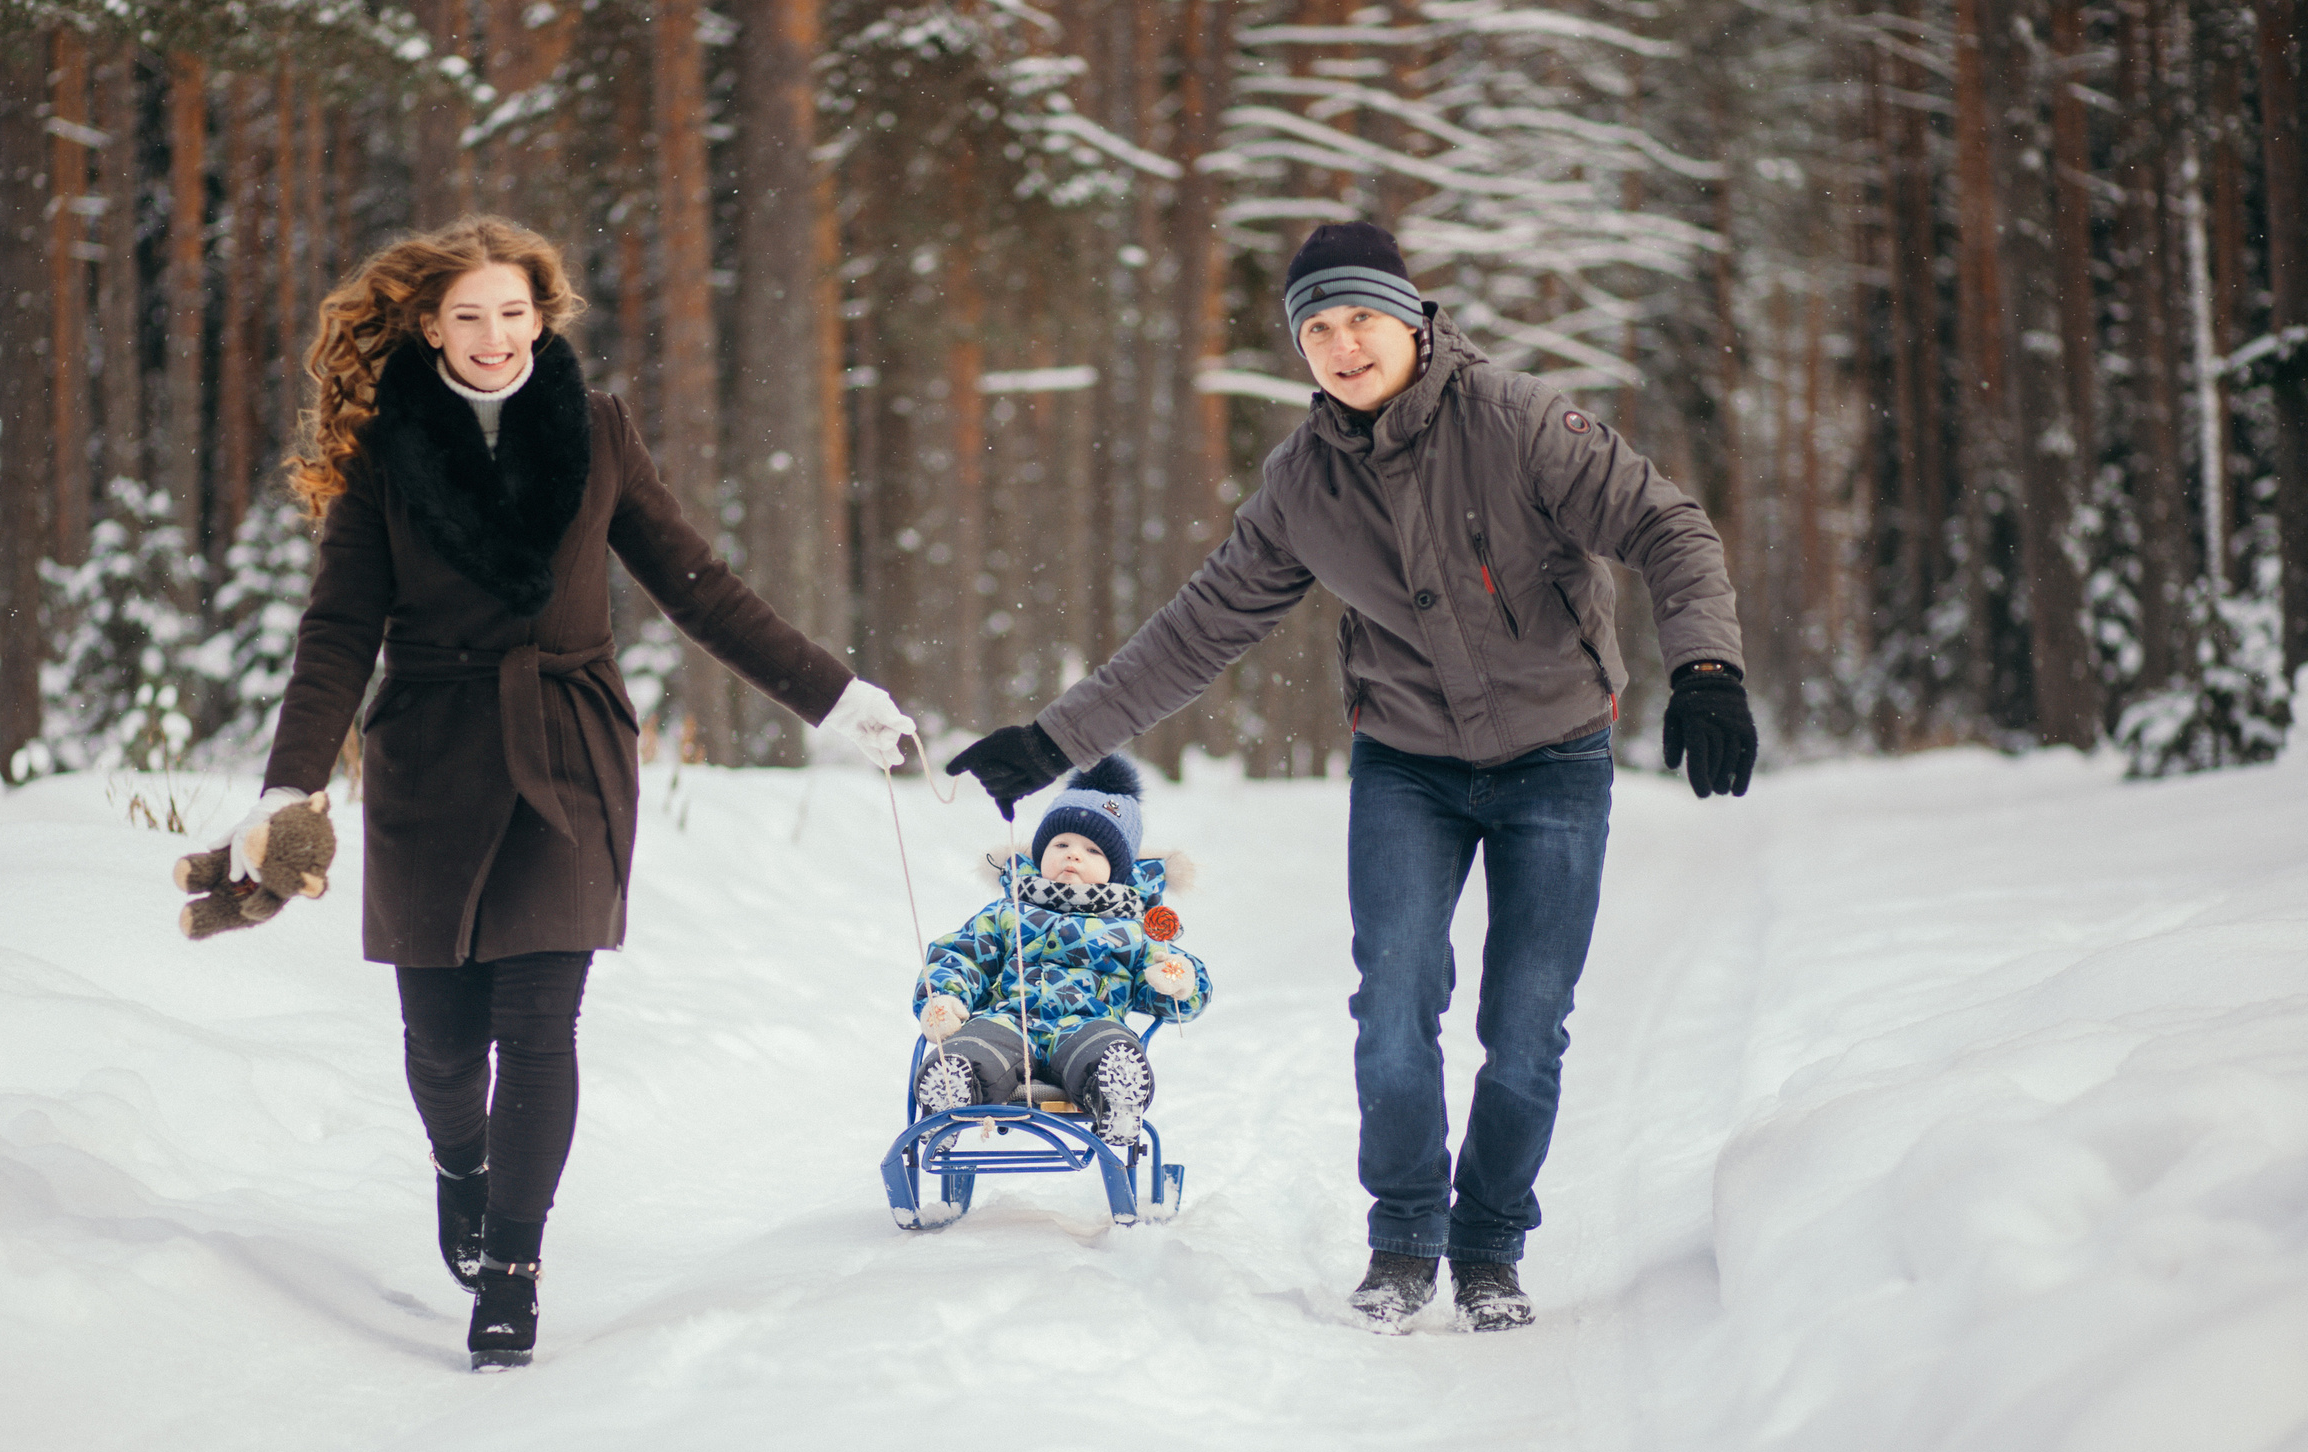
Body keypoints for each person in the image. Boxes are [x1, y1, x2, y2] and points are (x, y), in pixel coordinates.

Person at [949, 222, 1753, 1334]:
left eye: (1360, 319)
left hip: (1555, 758)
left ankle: (1488, 1246)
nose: (1341, 345)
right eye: (1316, 329)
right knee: (1392, 1005)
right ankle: (1404, 1238)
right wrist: (1051, 740)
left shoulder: (1518, 423)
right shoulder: (1302, 484)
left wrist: (1704, 665)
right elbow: (1198, 629)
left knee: (1525, 1024)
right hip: (1407, 766)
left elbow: (1666, 525)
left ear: (1414, 320)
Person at [232, 216, 913, 1370]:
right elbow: (340, 630)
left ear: (542, 316)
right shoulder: (385, 453)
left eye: (512, 312)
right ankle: (463, 1166)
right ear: (428, 326)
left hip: (567, 750)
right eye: (468, 316)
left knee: (539, 1023)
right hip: (429, 752)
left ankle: (512, 1267)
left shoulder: (596, 435)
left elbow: (699, 587)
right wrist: (291, 786)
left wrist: (834, 697)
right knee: (442, 1047)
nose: (494, 337)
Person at [911, 754, 1210, 1138]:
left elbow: (1165, 992)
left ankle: (1116, 1092)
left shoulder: (1134, 928)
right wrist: (946, 997)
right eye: (1061, 843)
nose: (1073, 854)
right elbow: (963, 955)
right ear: (1040, 852)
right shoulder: (1008, 911)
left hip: (1088, 1025)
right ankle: (954, 1087)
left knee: (1108, 1046)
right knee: (978, 1044)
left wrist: (1178, 982)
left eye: (1093, 851)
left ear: (1116, 871)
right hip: (1010, 1021)